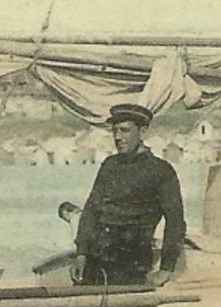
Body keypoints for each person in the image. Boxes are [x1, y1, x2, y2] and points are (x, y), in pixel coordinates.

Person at [73, 102, 186, 286]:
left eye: (125, 131)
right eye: (115, 131)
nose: (118, 137)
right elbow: (91, 211)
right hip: (96, 261)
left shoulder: (160, 170)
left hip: (132, 263)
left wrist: (166, 268)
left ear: (142, 132)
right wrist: (81, 254)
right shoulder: (109, 165)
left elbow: (175, 221)